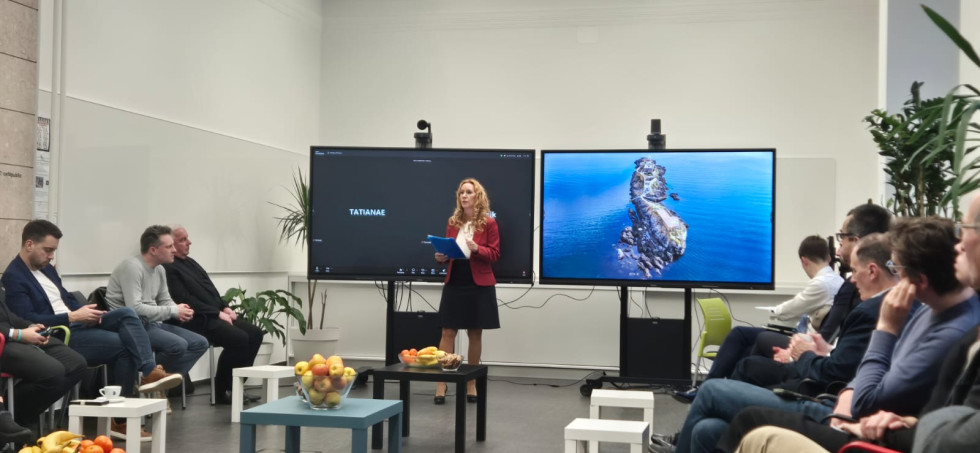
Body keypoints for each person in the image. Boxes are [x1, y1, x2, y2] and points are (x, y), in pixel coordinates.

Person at [649, 216, 980, 453]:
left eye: (898, 269)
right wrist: (839, 375)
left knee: (715, 391)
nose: (894, 278)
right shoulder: (930, 312)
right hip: (845, 403)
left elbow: (867, 398)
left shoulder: (936, 325)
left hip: (851, 419)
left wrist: (884, 330)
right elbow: (865, 382)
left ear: (918, 280)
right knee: (708, 430)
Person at [676, 204, 890, 402]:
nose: (839, 247)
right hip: (822, 360)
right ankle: (719, 396)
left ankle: (714, 394)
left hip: (822, 379)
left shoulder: (848, 294)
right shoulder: (860, 292)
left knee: (747, 348)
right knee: (749, 352)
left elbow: (802, 319)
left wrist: (800, 353)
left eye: (842, 237)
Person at [0, 220, 182, 403]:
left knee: (126, 313)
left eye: (53, 251)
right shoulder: (14, 277)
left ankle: (148, 372)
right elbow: (26, 319)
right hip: (61, 332)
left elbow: (66, 298)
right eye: (47, 250)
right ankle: (125, 406)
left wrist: (86, 312)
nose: (51, 256)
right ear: (29, 245)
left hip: (77, 322)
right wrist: (72, 317)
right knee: (126, 345)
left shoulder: (46, 269)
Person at [729, 233, 900, 391]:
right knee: (749, 363)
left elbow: (835, 372)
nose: (852, 280)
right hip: (829, 371)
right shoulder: (897, 306)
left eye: (854, 271)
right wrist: (823, 350)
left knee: (744, 367)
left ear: (872, 271)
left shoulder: (868, 311)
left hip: (824, 390)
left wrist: (802, 354)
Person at [163, 226, 264, 404]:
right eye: (183, 240)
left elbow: (210, 290)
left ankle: (236, 387)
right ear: (172, 244)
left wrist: (225, 307)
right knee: (239, 338)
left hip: (214, 315)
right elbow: (184, 299)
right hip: (196, 319)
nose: (189, 242)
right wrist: (216, 313)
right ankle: (221, 390)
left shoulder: (190, 262)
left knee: (255, 333)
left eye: (187, 238)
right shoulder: (168, 268)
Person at [104, 225, 209, 387]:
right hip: (132, 326)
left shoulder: (159, 269)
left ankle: (156, 381)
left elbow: (165, 299)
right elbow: (135, 309)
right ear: (153, 250)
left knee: (200, 343)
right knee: (178, 345)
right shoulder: (132, 267)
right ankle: (151, 378)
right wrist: (173, 311)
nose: (174, 250)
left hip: (152, 323)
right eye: (169, 246)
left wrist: (179, 310)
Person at [433, 178, 500, 405]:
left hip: (478, 282)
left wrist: (477, 248)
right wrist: (441, 257)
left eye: (469, 192)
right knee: (447, 332)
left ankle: (471, 383)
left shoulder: (489, 223)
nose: (464, 196)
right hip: (456, 279)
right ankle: (442, 383)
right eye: (461, 192)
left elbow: (495, 254)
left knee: (475, 333)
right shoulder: (453, 222)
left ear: (477, 196)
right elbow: (447, 251)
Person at [0, 285, 85, 433]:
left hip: (14, 335)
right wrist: (17, 334)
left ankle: (17, 416)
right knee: (53, 372)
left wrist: (31, 326)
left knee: (76, 364)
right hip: (3, 342)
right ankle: (11, 419)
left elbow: (8, 316)